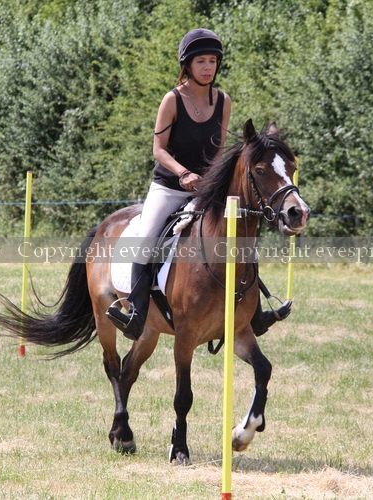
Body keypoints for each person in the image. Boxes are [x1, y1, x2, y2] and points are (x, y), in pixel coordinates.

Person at [107, 28, 290, 341]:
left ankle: (256, 313)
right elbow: (158, 150)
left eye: (212, 61)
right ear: (187, 65)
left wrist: (212, 179)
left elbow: (217, 150)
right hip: (169, 186)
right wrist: (183, 174)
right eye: (201, 61)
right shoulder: (172, 100)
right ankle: (136, 314)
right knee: (147, 238)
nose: (208, 67)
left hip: (206, 186)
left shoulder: (223, 101)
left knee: (239, 235)